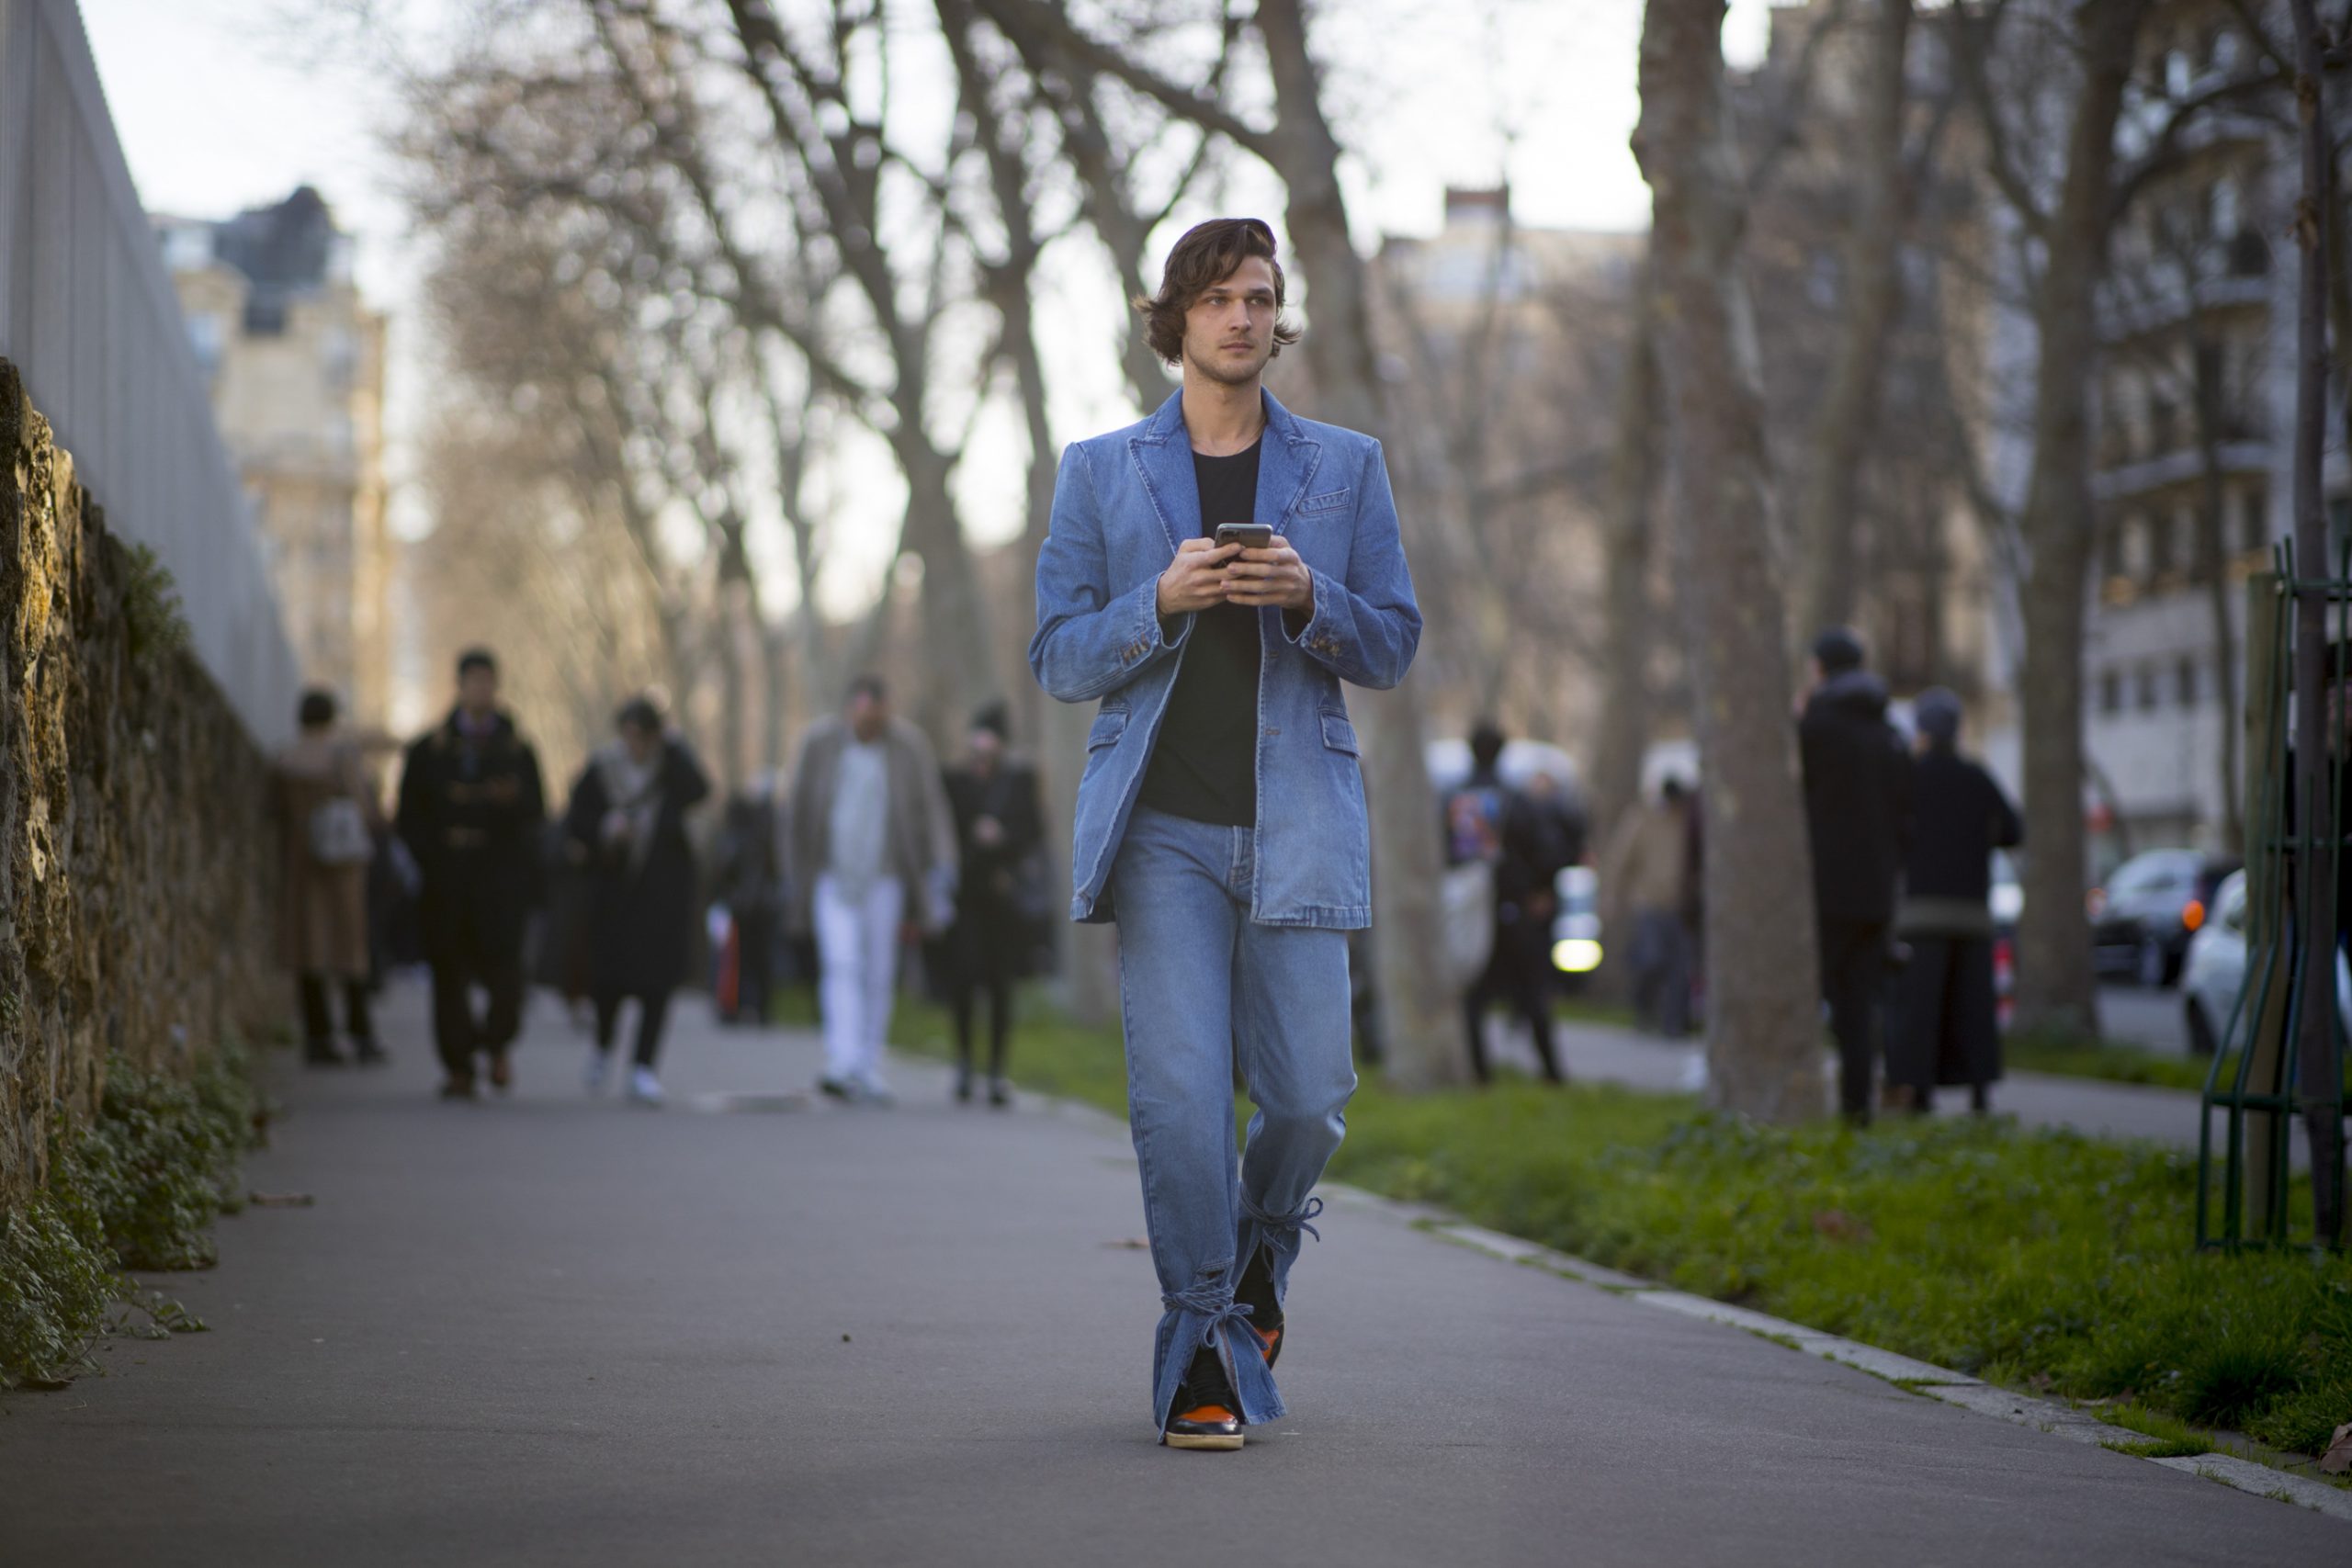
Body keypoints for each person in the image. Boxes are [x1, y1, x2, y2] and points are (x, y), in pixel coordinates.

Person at [1031, 217, 1421, 1450]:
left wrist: (1313, 597)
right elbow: (1056, 654)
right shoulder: (1101, 470)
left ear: (1277, 315)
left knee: (1309, 1098)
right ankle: (1202, 1341)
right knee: (1185, 1101)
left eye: (1260, 297)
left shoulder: (1346, 468)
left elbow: (1395, 642)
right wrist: (1156, 601)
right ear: (1176, 319)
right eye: (1216, 299)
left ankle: (1258, 1265)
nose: (1241, 317)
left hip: (1299, 826)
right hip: (1162, 838)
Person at [785, 674, 957, 1106]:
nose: (870, 725)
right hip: (832, 875)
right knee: (841, 962)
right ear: (849, 710)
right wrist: (793, 871)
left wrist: (942, 867)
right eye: (862, 717)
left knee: (879, 971)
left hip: (887, 877)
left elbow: (932, 806)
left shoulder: (908, 747)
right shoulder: (819, 744)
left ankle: (869, 1063)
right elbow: (795, 812)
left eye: (877, 718)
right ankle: (841, 1061)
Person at [396, 649, 547, 1100]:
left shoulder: (517, 750)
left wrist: (510, 804)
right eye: (473, 681)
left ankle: (497, 1044)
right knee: (448, 972)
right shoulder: (429, 749)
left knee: (505, 972)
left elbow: (537, 814)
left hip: (499, 878)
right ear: (459, 685)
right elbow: (408, 815)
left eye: (488, 681)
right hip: (447, 878)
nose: (481, 689)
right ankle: (458, 1065)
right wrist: (431, 859)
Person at [563, 696, 711, 1106]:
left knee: (657, 985)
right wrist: (606, 830)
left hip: (660, 898)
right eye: (629, 735)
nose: (636, 745)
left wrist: (676, 744)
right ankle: (603, 1046)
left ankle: (643, 1067)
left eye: (644, 736)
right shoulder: (602, 770)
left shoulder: (670, 771)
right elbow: (575, 820)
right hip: (612, 896)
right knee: (608, 981)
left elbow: (699, 789)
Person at [1797, 627, 1914, 1123]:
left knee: (1815, 992)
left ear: (1821, 669)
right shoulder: (1889, 733)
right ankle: (1856, 1108)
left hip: (1824, 889)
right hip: (1876, 892)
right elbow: (1908, 811)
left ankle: (1806, 1100)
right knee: (1860, 1003)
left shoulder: (1817, 726)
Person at [1889, 689, 2021, 1114]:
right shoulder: (1976, 776)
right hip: (1971, 912)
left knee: (1922, 1009)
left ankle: (1920, 1093)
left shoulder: (1908, 777)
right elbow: (2014, 830)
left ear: (1922, 731)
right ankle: (1980, 1090)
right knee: (1973, 1008)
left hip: (1922, 912)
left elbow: (1890, 835)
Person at [1447, 726, 1579, 1083]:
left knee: (1473, 997)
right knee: (1535, 992)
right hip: (1516, 910)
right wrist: (1542, 891)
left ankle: (1479, 1074)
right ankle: (1552, 1073)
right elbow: (1547, 851)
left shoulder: (1454, 798)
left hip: (1469, 913)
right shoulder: (1516, 799)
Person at [271, 688, 386, 1066]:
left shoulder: (286, 757)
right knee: (350, 947)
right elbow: (364, 806)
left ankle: (317, 1037)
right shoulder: (341, 755)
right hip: (341, 863)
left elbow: (273, 811)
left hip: (300, 862)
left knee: (309, 948)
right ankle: (360, 1033)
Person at [940, 702, 1046, 1106]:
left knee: (1001, 986)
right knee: (964, 980)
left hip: (1004, 898)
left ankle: (997, 1071)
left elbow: (1034, 830)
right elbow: (942, 825)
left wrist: (1001, 838)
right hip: (965, 897)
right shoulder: (956, 781)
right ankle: (965, 1062)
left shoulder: (1018, 782)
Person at [1604, 777, 1697, 1038]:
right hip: (1648, 901)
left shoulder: (1688, 822)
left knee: (1680, 968)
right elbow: (1621, 860)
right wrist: (1612, 896)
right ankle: (1644, 1009)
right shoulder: (1642, 819)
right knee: (1651, 960)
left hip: (1680, 904)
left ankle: (1673, 1023)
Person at [713, 781, 786, 1028]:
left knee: (747, 960)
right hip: (751, 906)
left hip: (749, 907)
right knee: (746, 960)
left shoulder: (743, 836)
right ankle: (744, 1007)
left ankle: (745, 1007)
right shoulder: (754, 836)